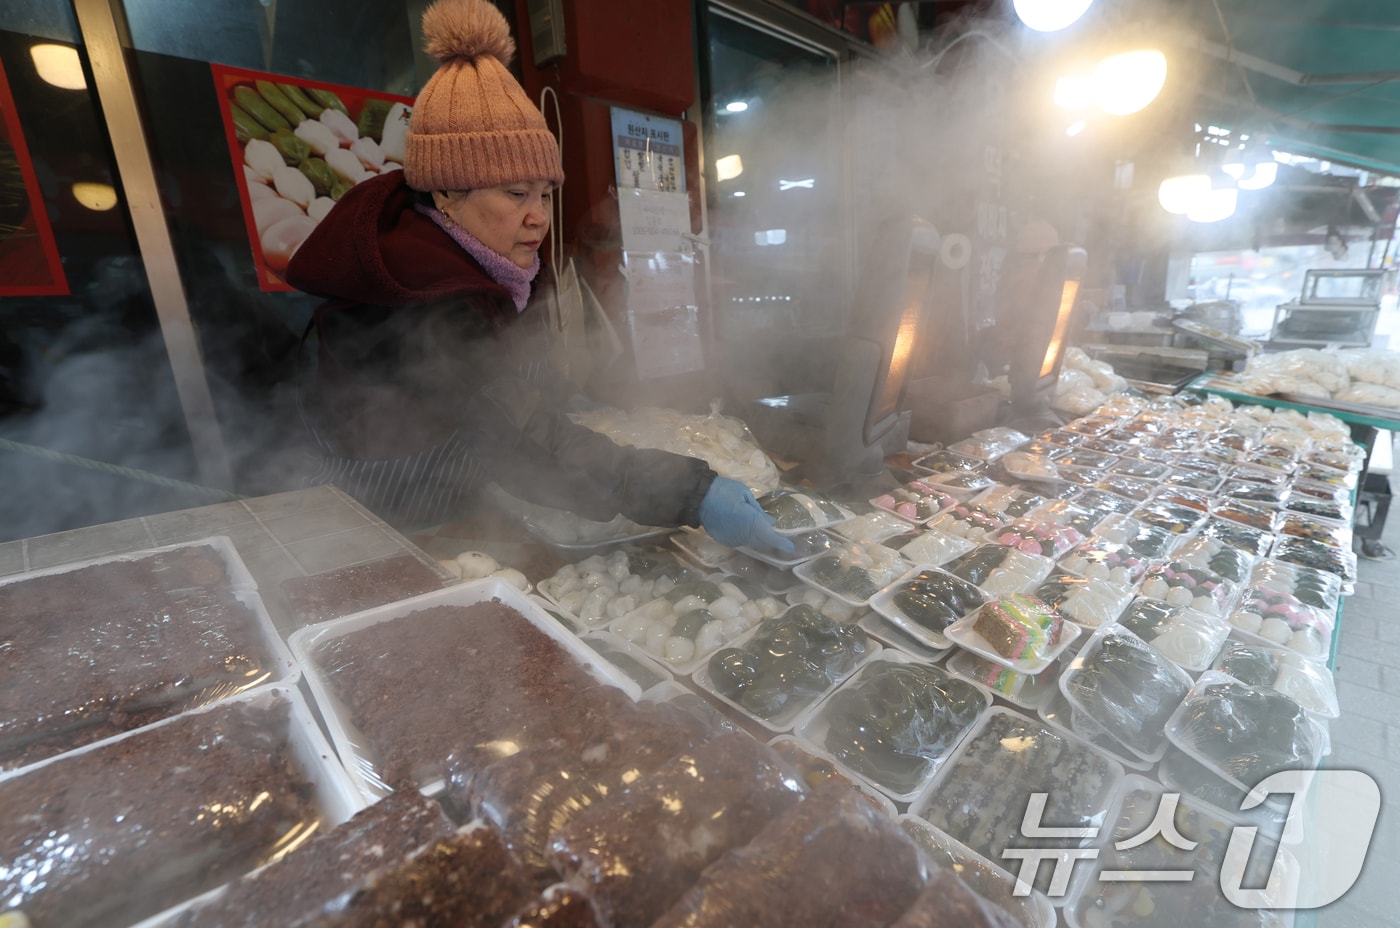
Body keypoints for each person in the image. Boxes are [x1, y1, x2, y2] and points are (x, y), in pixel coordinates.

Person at [285, 0, 790, 553]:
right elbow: (522, 443)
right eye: (516, 194)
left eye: (546, 194)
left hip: (456, 508)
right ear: (447, 193)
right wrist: (693, 492)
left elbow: (518, 400)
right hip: (382, 523)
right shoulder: (423, 290)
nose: (539, 216)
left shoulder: (501, 270)